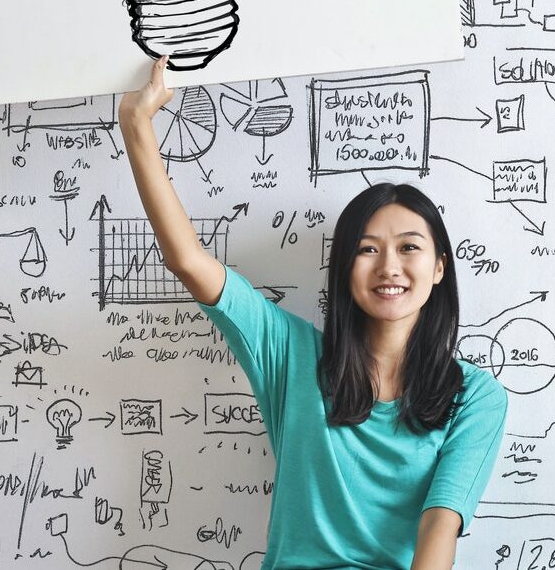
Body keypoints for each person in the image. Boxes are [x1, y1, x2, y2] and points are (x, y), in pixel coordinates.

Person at [119, 56, 508, 570]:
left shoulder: (476, 396)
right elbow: (189, 262)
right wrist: (136, 124)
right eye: (368, 250)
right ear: (345, 268)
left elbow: (441, 524)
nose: (389, 267)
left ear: (439, 268)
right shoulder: (292, 354)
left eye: (409, 248)